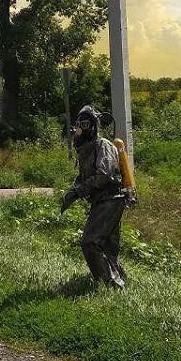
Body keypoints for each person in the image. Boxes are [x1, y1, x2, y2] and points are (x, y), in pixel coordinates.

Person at [60, 105, 128, 288]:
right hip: (103, 200)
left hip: (111, 199)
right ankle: (118, 279)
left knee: (90, 242)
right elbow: (85, 176)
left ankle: (109, 284)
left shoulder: (102, 145)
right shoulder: (87, 149)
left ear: (88, 126)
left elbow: (105, 176)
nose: (76, 130)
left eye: (80, 125)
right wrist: (73, 191)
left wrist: (78, 191)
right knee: (106, 244)